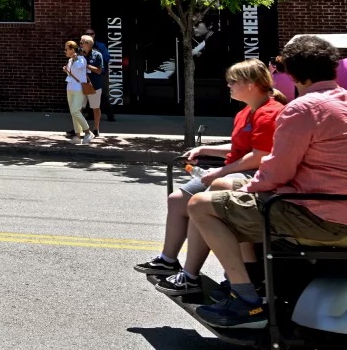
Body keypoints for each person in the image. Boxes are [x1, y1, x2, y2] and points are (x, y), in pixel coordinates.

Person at [189, 35, 347, 329]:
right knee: (227, 189)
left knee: (200, 204)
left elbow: (276, 173)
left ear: (295, 73)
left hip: (317, 216)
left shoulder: (304, 108)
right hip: (335, 207)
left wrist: (245, 188)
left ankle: (246, 302)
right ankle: (256, 279)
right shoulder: (341, 100)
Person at [135, 58, 285, 296]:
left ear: (251, 84)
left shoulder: (270, 112)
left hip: (248, 175)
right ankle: (168, 260)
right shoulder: (247, 111)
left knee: (200, 206)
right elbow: (238, 147)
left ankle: (192, 275)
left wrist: (220, 171)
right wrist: (204, 150)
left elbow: (259, 156)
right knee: (177, 200)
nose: (228, 86)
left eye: (233, 81)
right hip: (233, 171)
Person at [63, 41, 94, 145]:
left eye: (67, 49)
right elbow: (71, 73)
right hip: (70, 87)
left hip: (78, 88)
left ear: (72, 50)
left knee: (76, 111)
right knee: (73, 112)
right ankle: (77, 136)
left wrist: (75, 59)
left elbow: (81, 67)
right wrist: (66, 69)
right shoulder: (70, 60)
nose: (65, 51)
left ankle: (88, 132)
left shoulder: (81, 59)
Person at [84, 28, 115, 123]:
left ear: (94, 35)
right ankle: (90, 114)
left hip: (99, 73)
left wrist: (96, 57)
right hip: (87, 73)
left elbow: (106, 58)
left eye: (91, 33)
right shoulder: (83, 47)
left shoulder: (100, 46)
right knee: (89, 92)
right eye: (87, 34)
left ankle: (110, 114)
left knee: (103, 94)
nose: (89, 35)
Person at [80, 35, 106, 137]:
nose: (81, 44)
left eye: (83, 43)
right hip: (81, 85)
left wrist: (86, 65)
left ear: (89, 44)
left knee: (95, 108)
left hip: (94, 85)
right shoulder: (79, 55)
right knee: (79, 108)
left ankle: (96, 128)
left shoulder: (97, 55)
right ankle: (79, 128)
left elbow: (99, 71)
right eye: (80, 42)